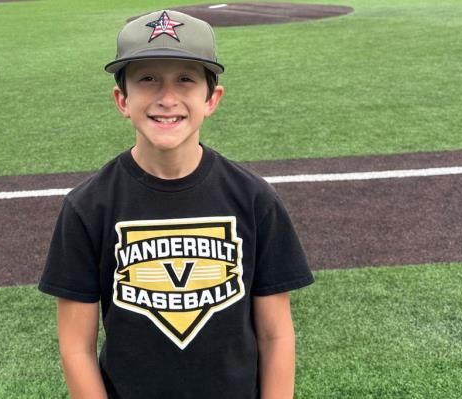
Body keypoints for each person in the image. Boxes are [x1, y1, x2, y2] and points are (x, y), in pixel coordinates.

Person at [38, 9, 314, 399]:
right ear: (122, 98)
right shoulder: (88, 207)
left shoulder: (254, 199)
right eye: (147, 79)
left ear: (211, 98)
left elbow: (276, 334)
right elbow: (76, 347)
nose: (167, 98)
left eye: (185, 79)